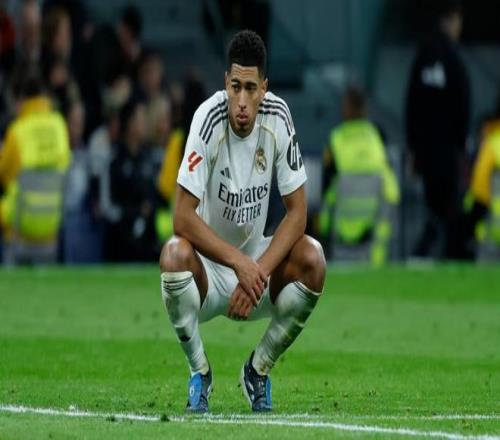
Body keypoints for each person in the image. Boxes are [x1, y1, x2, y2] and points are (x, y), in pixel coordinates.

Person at [159, 30, 326, 413]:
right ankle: (199, 371)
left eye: (251, 89)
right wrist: (239, 264)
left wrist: (258, 270)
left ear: (264, 88)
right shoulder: (207, 119)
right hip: (209, 269)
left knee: (313, 259)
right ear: (225, 83)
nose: (242, 102)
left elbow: (298, 212)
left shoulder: (278, 117)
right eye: (236, 87)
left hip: (256, 267)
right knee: (172, 256)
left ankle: (258, 370)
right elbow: (181, 216)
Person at [406, 0, 470, 259]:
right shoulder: (454, 57)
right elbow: (463, 103)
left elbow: (411, 104)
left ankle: (425, 252)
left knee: (433, 206)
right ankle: (446, 253)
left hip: (425, 150)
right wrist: (461, 146)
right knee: (449, 208)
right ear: (452, 20)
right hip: (448, 151)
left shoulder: (423, 55)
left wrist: (413, 148)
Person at [319, 86, 400, 264]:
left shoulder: (336, 139)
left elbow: (326, 191)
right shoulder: (377, 136)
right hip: (373, 241)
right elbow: (391, 191)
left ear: (346, 108)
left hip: (341, 238)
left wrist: (322, 230)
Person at [0, 73, 70, 252]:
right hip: (53, 222)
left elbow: (3, 175)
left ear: (21, 100)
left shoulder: (17, 130)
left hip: (21, 224)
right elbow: (65, 166)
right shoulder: (60, 125)